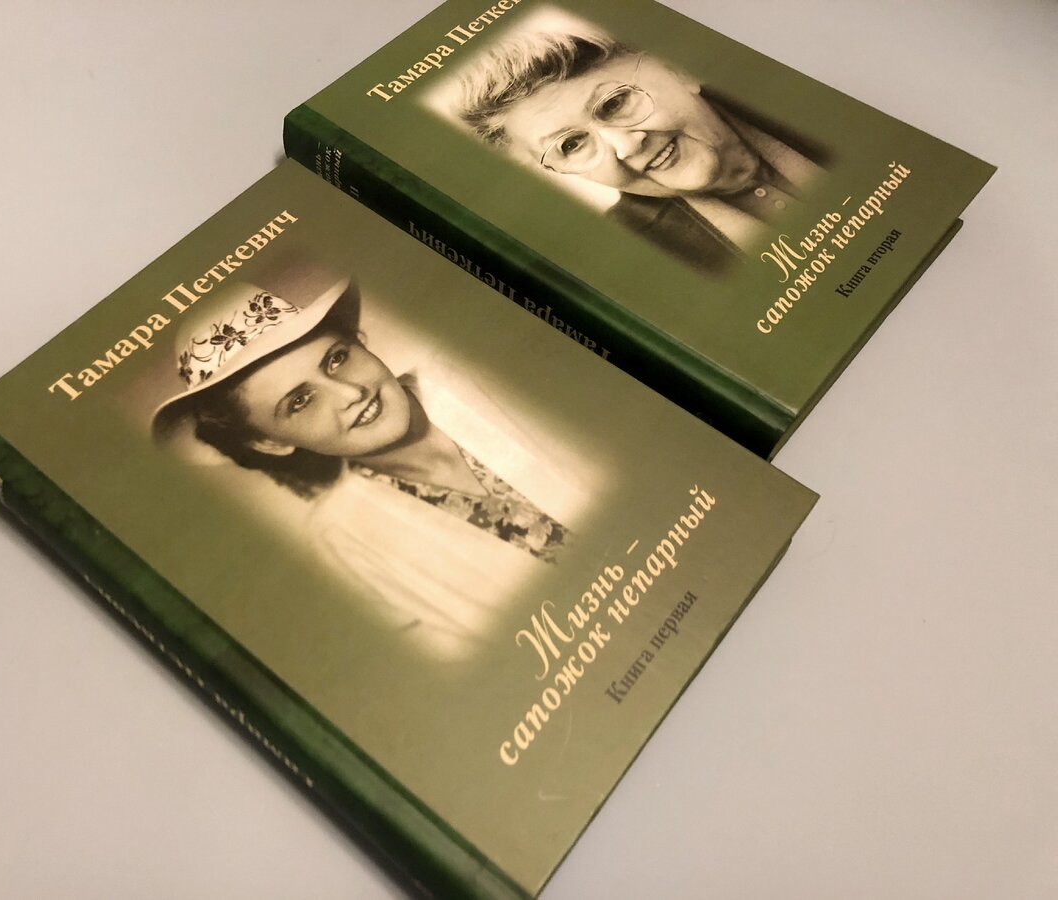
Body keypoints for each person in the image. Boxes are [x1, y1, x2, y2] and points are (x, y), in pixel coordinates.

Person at [152, 278, 586, 658]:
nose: (350, 393)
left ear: (359, 342)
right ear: (269, 441)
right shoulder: (342, 539)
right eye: (300, 401)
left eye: (336, 359)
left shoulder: (488, 366)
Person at [455, 31, 827, 274]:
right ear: (556, 170)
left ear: (675, 69)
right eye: (571, 145)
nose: (627, 145)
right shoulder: (629, 267)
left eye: (614, 103)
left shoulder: (808, 83)